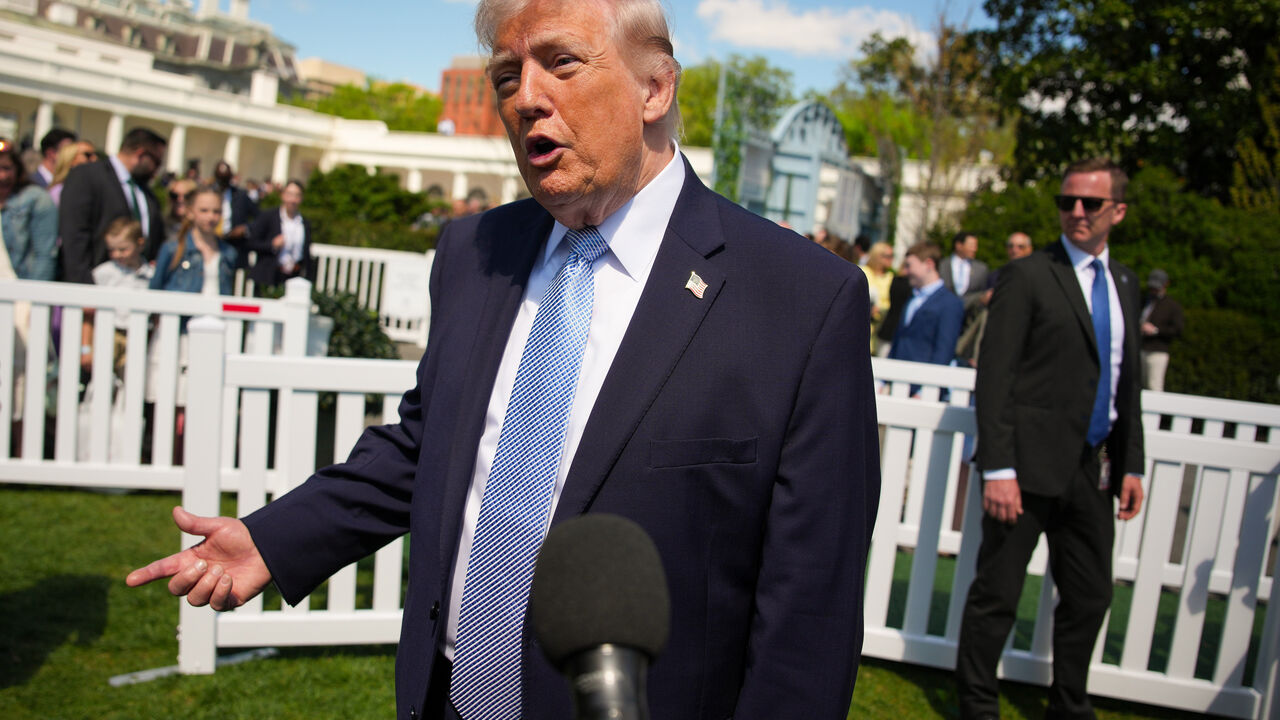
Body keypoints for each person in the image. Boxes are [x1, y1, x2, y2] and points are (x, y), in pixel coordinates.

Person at [126, 1, 881, 718]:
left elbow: (809, 613)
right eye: (507, 76)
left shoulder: (802, 301)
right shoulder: (474, 251)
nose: (526, 99)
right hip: (445, 694)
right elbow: (429, 446)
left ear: (654, 87)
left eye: (561, 62)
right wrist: (276, 537)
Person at [956, 157, 1145, 720]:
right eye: (1068, 202)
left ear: (1118, 210)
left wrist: (1131, 464)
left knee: (1091, 596)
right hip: (1023, 470)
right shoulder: (1029, 274)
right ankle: (977, 705)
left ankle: (1069, 705)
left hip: (1092, 470)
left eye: (1090, 203)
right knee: (998, 596)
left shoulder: (1126, 283)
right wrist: (998, 469)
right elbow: (995, 376)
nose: (1077, 213)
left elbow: (1126, 383)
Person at [58, 127, 167, 282]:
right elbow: (74, 236)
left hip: (138, 287)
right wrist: (83, 288)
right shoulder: (87, 176)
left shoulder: (146, 193)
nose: (157, 170)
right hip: (97, 284)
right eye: (156, 162)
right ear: (140, 154)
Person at [888, 241, 964, 372]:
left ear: (929, 264)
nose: (905, 271)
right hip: (898, 377)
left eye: (909, 266)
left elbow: (944, 350)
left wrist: (925, 389)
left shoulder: (950, 303)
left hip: (924, 384)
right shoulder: (912, 297)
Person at [0, 139, 59, 282]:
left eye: (6, 168)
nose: (2, 176)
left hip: (18, 290)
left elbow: (44, 255)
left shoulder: (36, 199)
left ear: (18, 169)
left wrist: (32, 298)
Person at [245, 179, 311, 291]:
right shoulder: (268, 216)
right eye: (290, 194)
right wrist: (272, 244)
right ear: (283, 195)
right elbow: (251, 242)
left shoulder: (304, 222)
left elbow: (306, 253)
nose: (293, 200)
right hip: (269, 275)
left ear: (301, 198)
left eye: (297, 195)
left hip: (293, 276)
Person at [1140, 269, 1182, 392]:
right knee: (1138, 385)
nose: (1153, 290)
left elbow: (1177, 330)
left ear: (1165, 285)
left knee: (1154, 386)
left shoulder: (1172, 306)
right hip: (1140, 348)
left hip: (1158, 351)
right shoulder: (1144, 301)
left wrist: (1156, 330)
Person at [212, 160, 258, 265]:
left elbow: (259, 217)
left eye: (225, 179)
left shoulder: (240, 195)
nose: (222, 183)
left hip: (232, 244)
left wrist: (245, 228)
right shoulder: (208, 193)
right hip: (211, 242)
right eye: (220, 179)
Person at [940, 230, 990, 314]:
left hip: (969, 317)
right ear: (959, 245)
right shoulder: (941, 265)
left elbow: (982, 292)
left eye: (975, 246)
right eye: (971, 246)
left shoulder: (981, 269)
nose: (975, 249)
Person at [860, 241, 895, 353]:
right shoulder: (863, 272)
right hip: (862, 329)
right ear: (877, 256)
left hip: (881, 332)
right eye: (888, 256)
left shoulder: (891, 277)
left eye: (892, 256)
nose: (891, 259)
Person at [47, 140, 98, 207]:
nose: (95, 159)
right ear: (70, 159)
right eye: (87, 155)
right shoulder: (58, 191)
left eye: (95, 154)